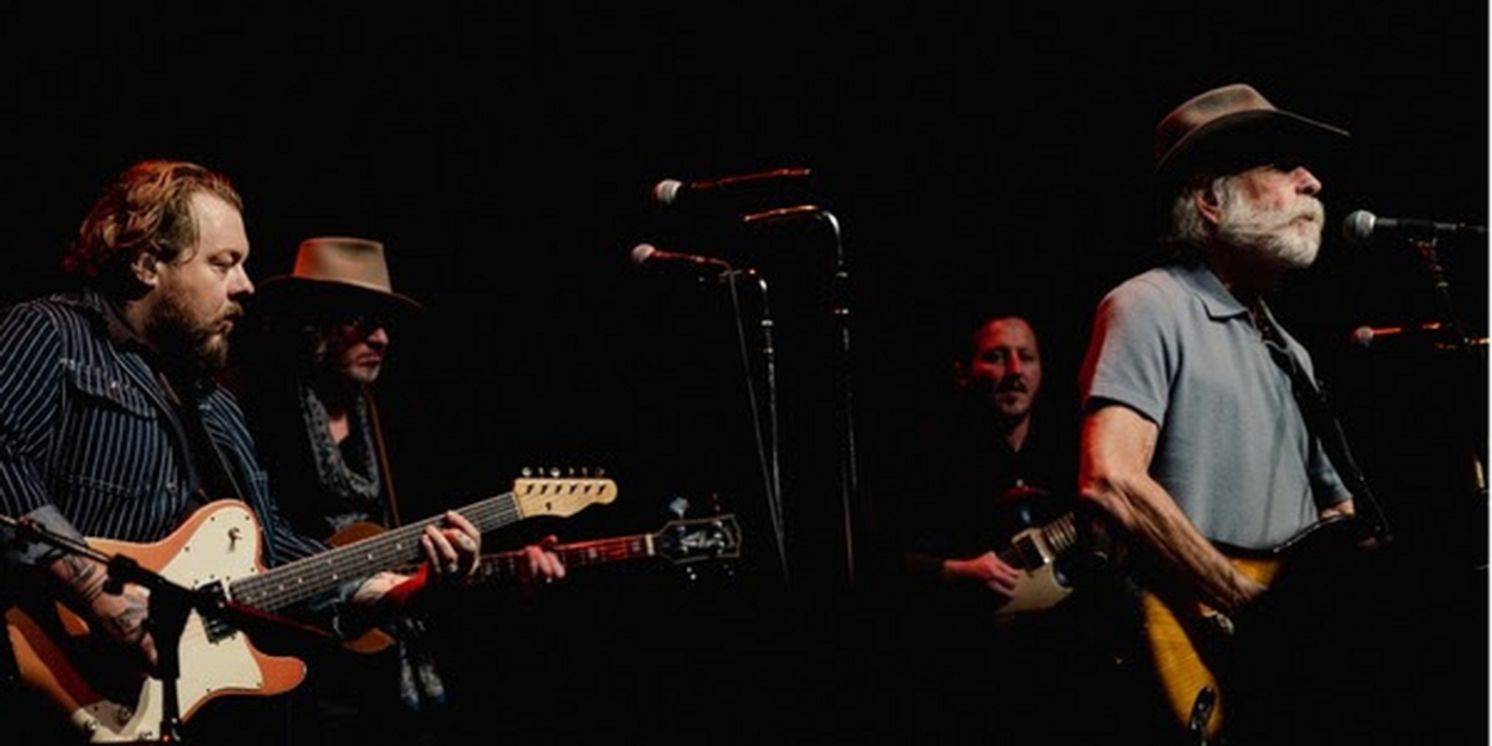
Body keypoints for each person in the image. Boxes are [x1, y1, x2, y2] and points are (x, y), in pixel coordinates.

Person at [0, 161, 482, 743]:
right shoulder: (53, 334)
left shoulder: (218, 408)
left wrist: (386, 589)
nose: (246, 284)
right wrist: (95, 588)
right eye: (222, 263)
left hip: (162, 709)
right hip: (38, 677)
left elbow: (269, 549)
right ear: (146, 262)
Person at [1077, 84, 1382, 742]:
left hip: (1286, 673)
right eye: (1282, 167)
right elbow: (1109, 477)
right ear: (1212, 200)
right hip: (1204, 648)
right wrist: (1244, 601)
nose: (1314, 181)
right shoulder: (1149, 305)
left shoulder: (1290, 350)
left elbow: (1336, 519)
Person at [228, 236, 564, 740]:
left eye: (385, 325)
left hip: (383, 660)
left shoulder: (398, 423)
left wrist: (514, 566)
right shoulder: (252, 411)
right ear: (312, 324)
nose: (382, 339)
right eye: (362, 322)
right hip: (288, 662)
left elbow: (425, 561)